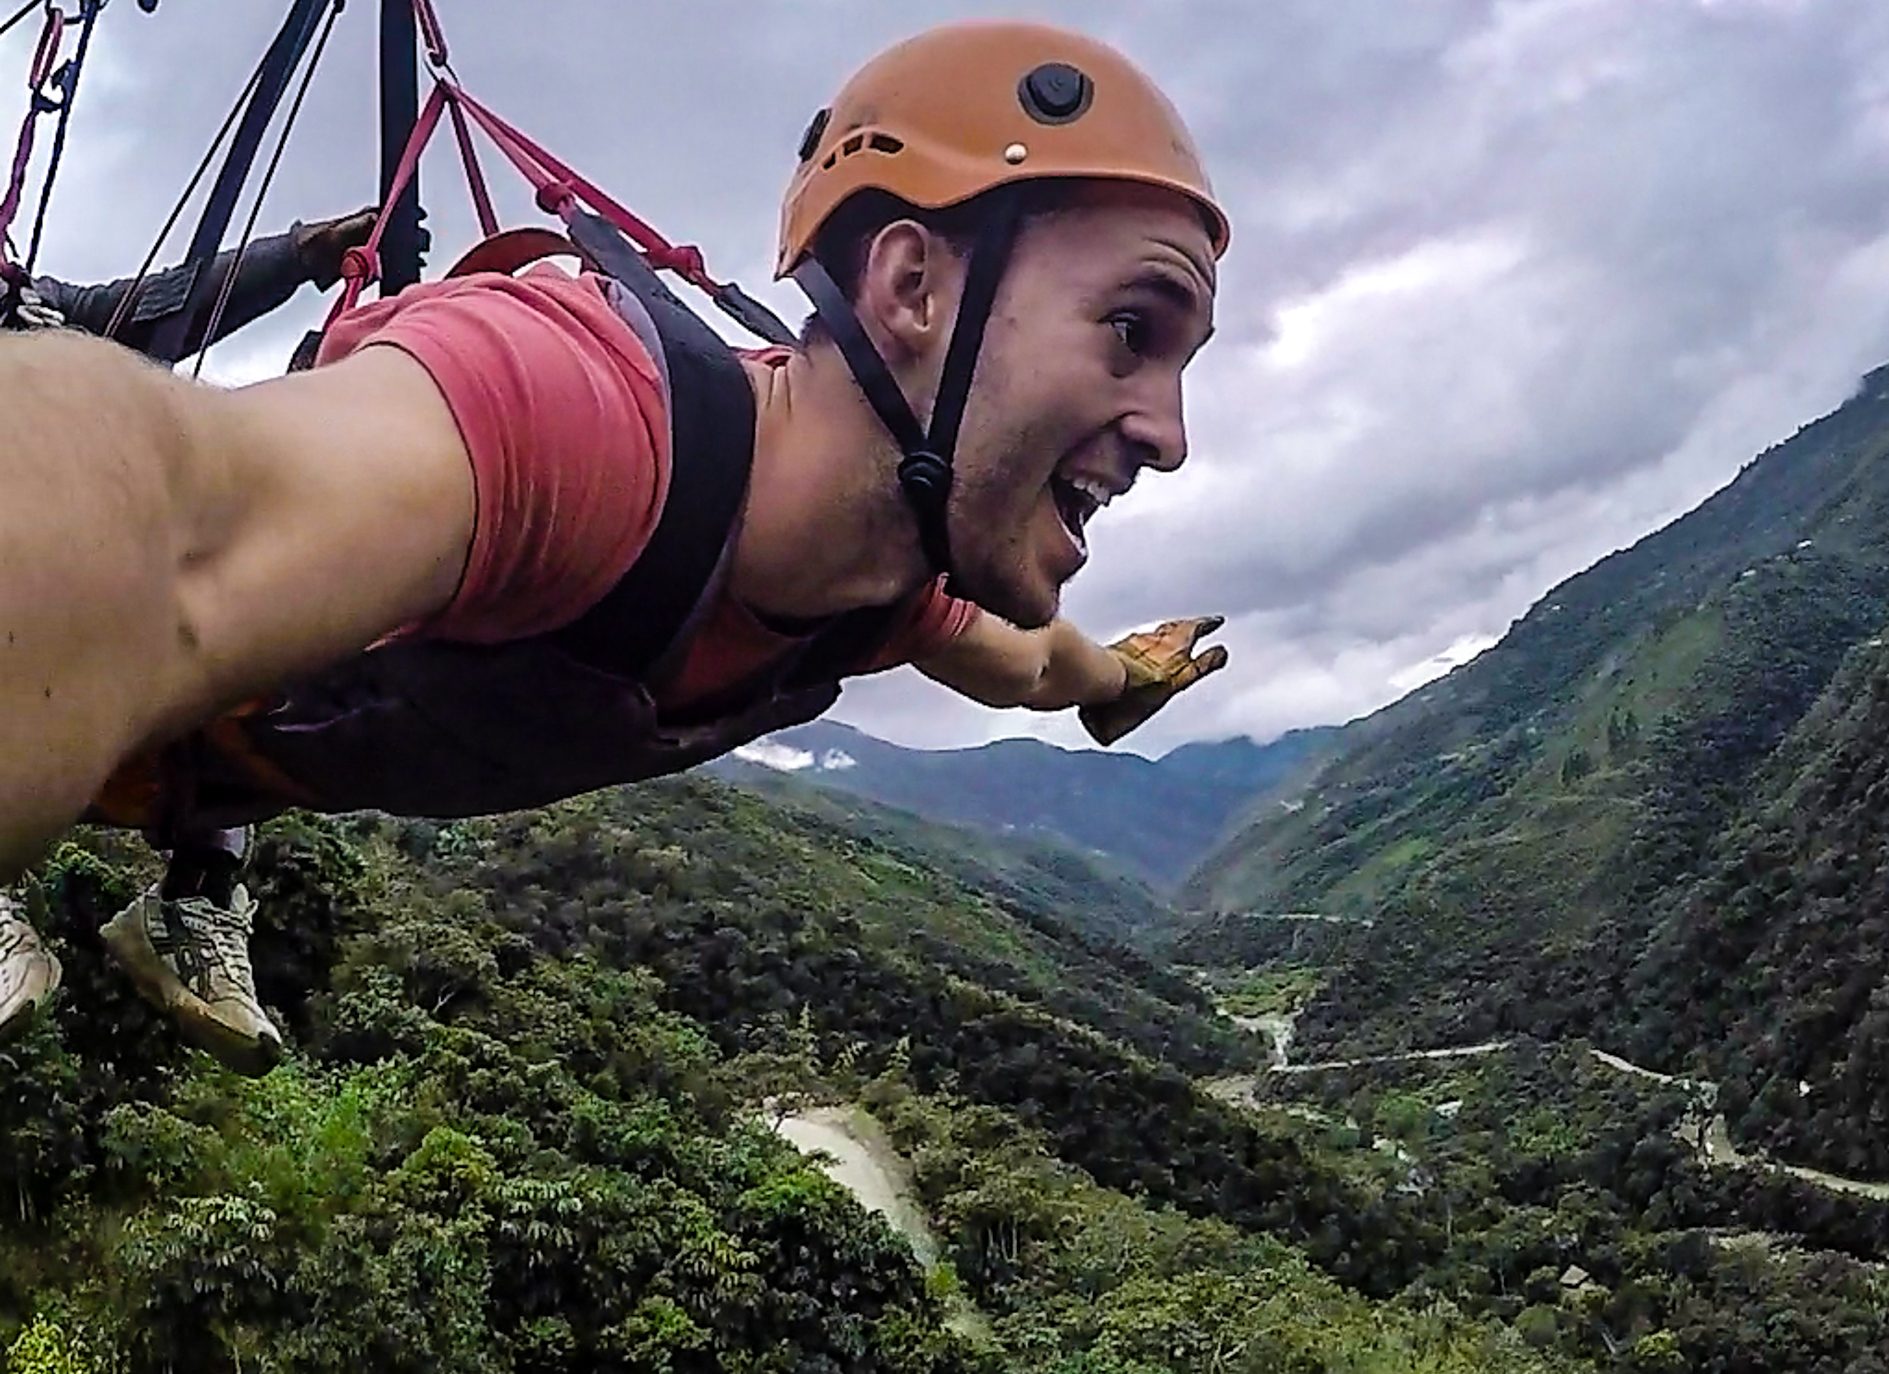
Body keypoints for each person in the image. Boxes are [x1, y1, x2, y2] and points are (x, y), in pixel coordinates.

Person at [0, 25, 1230, 960]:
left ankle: (189, 897)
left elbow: (1033, 666)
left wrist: (1126, 677)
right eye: (1131, 328)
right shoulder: (575, 420)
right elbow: (176, 530)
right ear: (912, 288)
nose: (1171, 436)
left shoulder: (884, 589)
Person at [0, 207, 378, 1069]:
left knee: (257, 593)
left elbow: (160, 304)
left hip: (108, 623)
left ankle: (199, 893)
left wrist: (300, 255)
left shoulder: (37, 314)